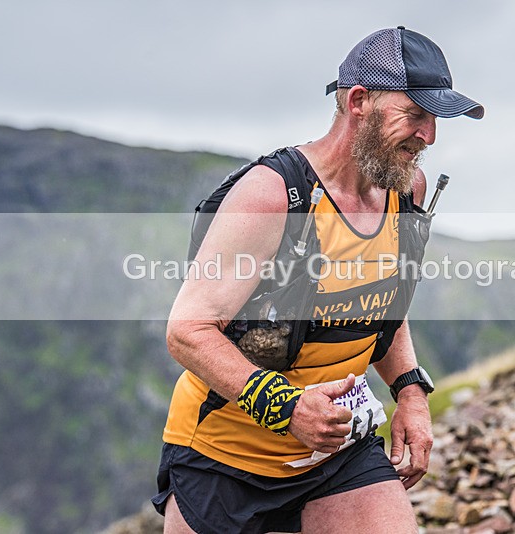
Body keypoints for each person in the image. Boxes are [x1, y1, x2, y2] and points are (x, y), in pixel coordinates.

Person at [153, 26, 483, 533]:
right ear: (358, 102)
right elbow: (188, 331)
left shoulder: (406, 189)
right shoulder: (272, 195)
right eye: (415, 114)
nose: (429, 136)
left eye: (435, 119)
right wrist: (288, 409)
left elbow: (385, 305)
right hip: (224, 458)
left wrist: (410, 392)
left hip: (336, 453)